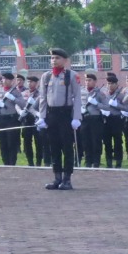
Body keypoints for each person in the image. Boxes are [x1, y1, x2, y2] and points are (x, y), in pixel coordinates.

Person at [38, 48, 83, 189]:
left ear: (65, 60)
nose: (54, 60)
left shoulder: (71, 75)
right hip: (51, 114)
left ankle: (67, 179)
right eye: (52, 58)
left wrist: (76, 117)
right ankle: (57, 177)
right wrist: (42, 116)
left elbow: (77, 98)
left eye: (57, 58)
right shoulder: (46, 76)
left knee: (67, 147)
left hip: (65, 114)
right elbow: (42, 98)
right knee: (54, 146)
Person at [77, 72, 104, 169]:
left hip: (95, 119)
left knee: (96, 141)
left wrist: (96, 104)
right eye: (86, 80)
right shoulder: (81, 92)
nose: (87, 82)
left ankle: (96, 161)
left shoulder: (99, 93)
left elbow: (106, 106)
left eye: (90, 80)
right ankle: (88, 161)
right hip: (84, 119)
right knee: (85, 141)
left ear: (95, 81)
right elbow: (77, 103)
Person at [0, 72, 22, 166]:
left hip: (11, 120)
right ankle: (5, 163)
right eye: (3, 79)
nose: (4, 81)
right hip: (0, 119)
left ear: (11, 81)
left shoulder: (15, 91)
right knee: (2, 143)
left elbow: (23, 103)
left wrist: (13, 99)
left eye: (7, 79)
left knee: (11, 142)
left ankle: (12, 163)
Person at [101, 72, 127, 168]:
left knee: (118, 141)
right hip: (106, 119)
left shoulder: (120, 95)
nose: (110, 85)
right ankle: (109, 161)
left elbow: (126, 108)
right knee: (107, 142)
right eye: (108, 83)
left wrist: (117, 105)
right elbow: (100, 105)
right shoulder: (104, 95)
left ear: (117, 85)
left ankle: (118, 161)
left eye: (112, 83)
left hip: (116, 120)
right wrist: (103, 110)